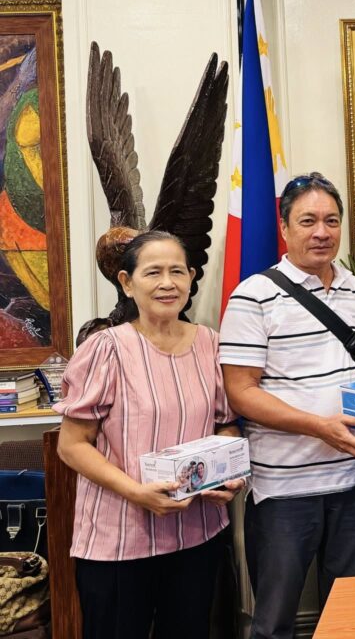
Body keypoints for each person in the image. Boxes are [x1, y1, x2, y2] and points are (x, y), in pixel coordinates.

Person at [219, 172, 355, 639]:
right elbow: (241, 392)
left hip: (354, 478)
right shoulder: (253, 296)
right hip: (285, 487)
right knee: (275, 620)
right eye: (308, 221)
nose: (321, 232)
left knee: (350, 617)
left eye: (331, 220)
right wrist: (318, 426)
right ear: (284, 226)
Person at [55, 230, 244, 639]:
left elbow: (225, 423)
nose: (167, 283)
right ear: (127, 282)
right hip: (120, 539)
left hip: (197, 534)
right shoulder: (106, 349)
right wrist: (137, 493)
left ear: (191, 278)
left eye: (177, 271)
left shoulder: (210, 344)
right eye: (153, 272)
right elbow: (70, 446)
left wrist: (227, 472)